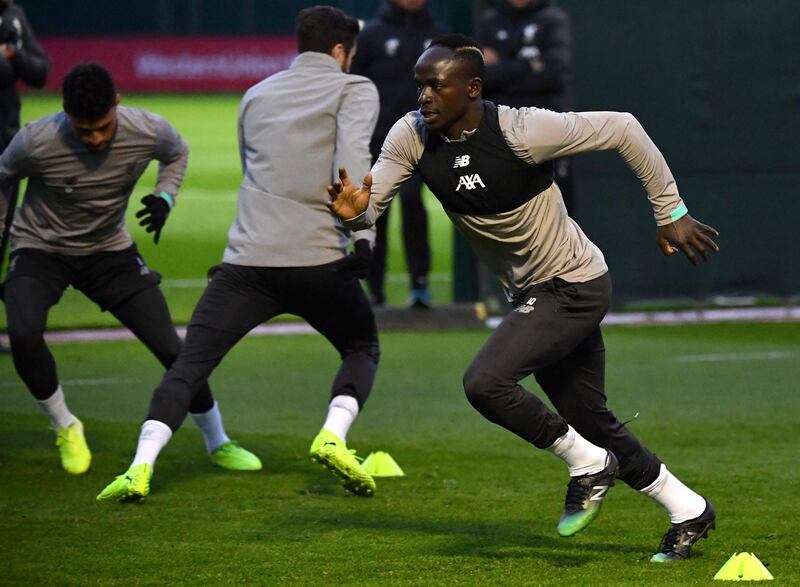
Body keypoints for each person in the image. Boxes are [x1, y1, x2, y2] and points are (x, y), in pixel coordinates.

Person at [327, 34, 720, 562]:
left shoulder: (523, 130)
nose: (423, 97)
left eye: (435, 86)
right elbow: (368, 209)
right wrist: (353, 213)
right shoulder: (411, 137)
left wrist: (670, 213)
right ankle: (689, 508)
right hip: (534, 294)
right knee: (589, 421)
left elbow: (625, 128)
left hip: (575, 285)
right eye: (419, 85)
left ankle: (588, 466)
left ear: (471, 88)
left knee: (485, 382)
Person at [97, 6, 381, 503]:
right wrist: (363, 236)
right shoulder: (354, 87)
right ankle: (333, 436)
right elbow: (352, 158)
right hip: (319, 261)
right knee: (361, 348)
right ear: (341, 51)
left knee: (188, 366)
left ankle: (139, 467)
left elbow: (253, 166)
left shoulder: (254, 95)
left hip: (246, 264)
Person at [0, 63, 261, 476]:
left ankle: (218, 441)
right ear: (65, 113)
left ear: (117, 104)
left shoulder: (149, 129)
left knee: (174, 350)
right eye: (85, 131)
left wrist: (166, 198)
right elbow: (4, 177)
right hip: (40, 248)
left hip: (109, 251)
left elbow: (177, 152)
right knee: (24, 332)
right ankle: (66, 425)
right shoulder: (35, 140)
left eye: (103, 127)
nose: (96, 138)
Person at [350, 0, 442, 308]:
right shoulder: (372, 35)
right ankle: (374, 289)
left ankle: (420, 286)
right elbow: (353, 86)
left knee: (414, 205)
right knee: (376, 212)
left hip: (422, 139)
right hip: (377, 141)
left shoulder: (438, 35)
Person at [476, 0, 576, 215]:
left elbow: (553, 76)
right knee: (506, 213)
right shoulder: (490, 22)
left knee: (558, 212)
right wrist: (528, 65)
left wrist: (501, 68)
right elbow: (481, 77)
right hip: (503, 133)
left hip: (548, 131)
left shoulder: (552, 20)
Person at [0, 0, 49, 353]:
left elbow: (40, 71)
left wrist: (13, 54)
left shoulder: (13, 16)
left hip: (4, 147)